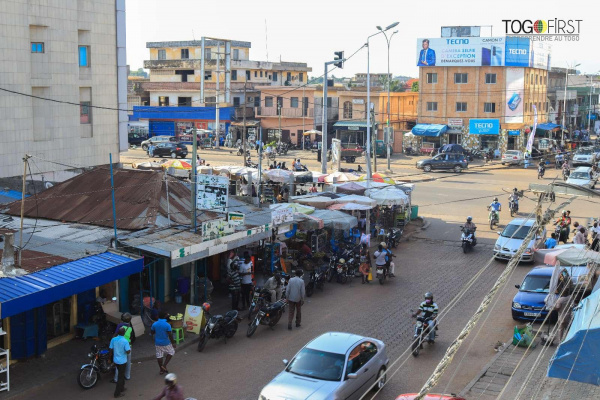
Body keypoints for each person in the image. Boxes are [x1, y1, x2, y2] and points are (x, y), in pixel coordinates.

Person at [112, 313, 136, 383]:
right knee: (128, 361)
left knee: (118, 362)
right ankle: (127, 376)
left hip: (120, 346)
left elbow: (115, 334)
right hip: (128, 346)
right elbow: (133, 338)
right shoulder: (130, 327)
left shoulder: (120, 325)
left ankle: (116, 379)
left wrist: (112, 341)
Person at [150, 311, 176, 375]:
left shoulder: (155, 324)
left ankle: (161, 370)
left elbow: (152, 332)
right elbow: (170, 335)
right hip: (166, 342)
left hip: (157, 342)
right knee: (171, 351)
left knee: (159, 355)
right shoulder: (167, 325)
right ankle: (164, 366)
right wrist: (173, 343)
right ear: (165, 316)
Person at [109, 326, 131, 398]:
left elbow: (111, 349)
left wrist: (110, 358)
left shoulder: (113, 339)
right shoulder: (125, 341)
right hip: (122, 361)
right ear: (124, 333)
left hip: (115, 360)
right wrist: (128, 350)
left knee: (121, 374)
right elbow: (128, 352)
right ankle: (117, 393)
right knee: (121, 377)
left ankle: (122, 388)